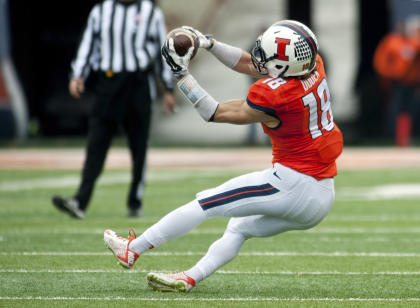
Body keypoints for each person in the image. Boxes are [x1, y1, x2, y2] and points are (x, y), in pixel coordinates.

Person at [104, 20, 343, 292]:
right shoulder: (313, 64)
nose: (260, 57)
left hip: (292, 182)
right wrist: (208, 43)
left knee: (205, 203)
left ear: (285, 64)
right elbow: (252, 64)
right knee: (238, 228)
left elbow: (214, 112)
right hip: (322, 194)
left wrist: (181, 75)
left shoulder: (277, 97)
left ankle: (132, 249)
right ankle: (189, 277)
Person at [51, 0, 176, 219]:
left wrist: (168, 88)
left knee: (139, 147)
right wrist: (78, 75)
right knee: (96, 144)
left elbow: (161, 51)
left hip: (137, 84)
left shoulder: (149, 12)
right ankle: (80, 200)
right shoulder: (101, 11)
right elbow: (88, 44)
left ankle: (135, 201)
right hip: (108, 84)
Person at [373, 17, 420, 146]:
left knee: (410, 109)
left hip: (411, 83)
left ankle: (406, 138)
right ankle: (392, 137)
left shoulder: (413, 42)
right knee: (395, 108)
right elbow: (380, 61)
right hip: (396, 82)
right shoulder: (392, 42)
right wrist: (387, 75)